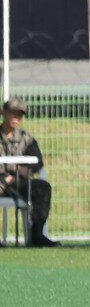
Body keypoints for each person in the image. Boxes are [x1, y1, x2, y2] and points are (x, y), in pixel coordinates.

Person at [0, 97, 57, 247]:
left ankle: (37, 234)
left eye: (19, 114)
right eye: (13, 113)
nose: (16, 117)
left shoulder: (27, 139)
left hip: (18, 183)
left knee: (42, 187)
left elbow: (37, 161)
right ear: (3, 112)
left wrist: (15, 174)